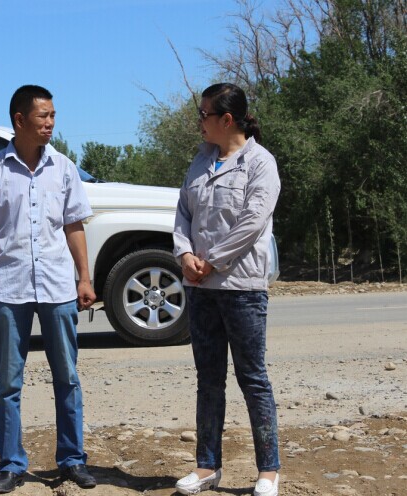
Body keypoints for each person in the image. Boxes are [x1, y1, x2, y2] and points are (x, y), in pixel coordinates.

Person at [0, 84, 97, 495]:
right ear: (20, 120)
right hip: (9, 289)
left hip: (57, 287)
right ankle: (10, 465)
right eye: (43, 116)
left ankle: (72, 460)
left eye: (53, 115)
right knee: (8, 383)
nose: (50, 123)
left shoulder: (64, 168)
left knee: (67, 377)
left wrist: (84, 277)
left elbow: (74, 225)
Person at [173, 83, 281, 496]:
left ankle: (268, 471)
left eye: (204, 114)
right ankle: (207, 466)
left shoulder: (260, 163)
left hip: (241, 287)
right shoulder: (200, 160)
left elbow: (253, 221)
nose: (199, 122)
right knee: (208, 379)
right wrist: (185, 254)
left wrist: (213, 260)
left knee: (252, 378)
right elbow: (183, 213)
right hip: (199, 286)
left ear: (227, 119)